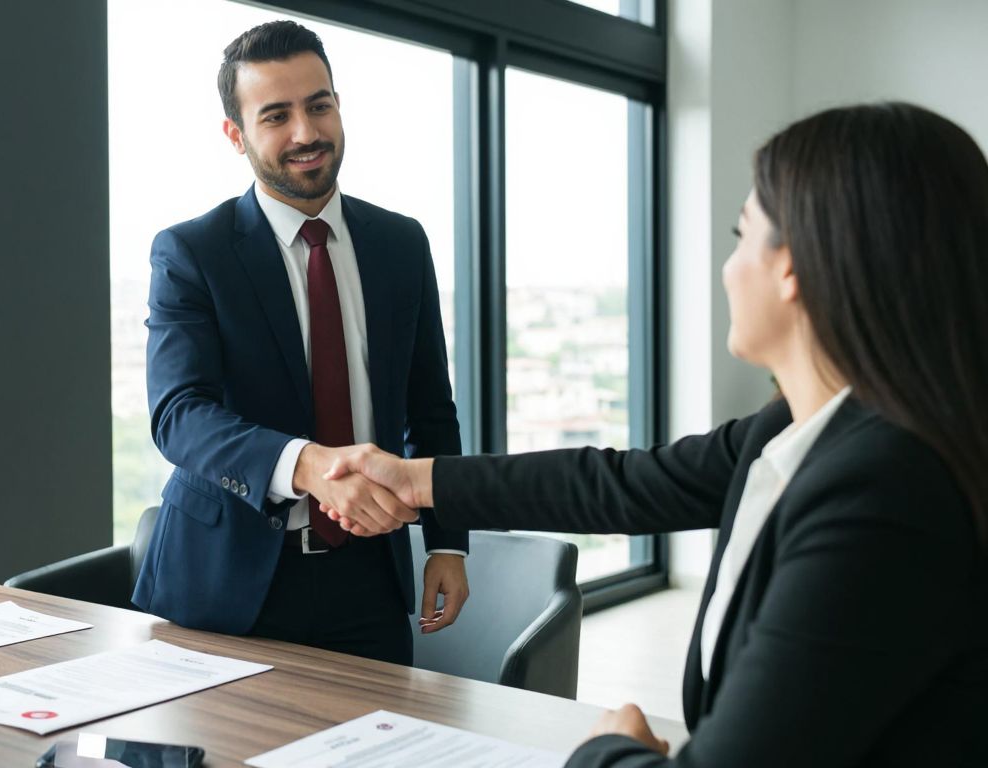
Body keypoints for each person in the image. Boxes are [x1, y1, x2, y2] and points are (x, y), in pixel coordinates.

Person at [320, 102, 988, 765]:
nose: (727, 268)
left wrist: (606, 748)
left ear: (794, 268)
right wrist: (415, 479)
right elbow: (620, 483)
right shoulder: (800, 429)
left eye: (740, 234)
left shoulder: (883, 496)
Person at [131, 20, 469, 666]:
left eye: (319, 106)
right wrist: (309, 465)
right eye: (276, 116)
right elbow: (179, 415)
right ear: (236, 135)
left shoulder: (402, 245)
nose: (306, 133)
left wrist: (447, 543)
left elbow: (430, 408)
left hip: (370, 579)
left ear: (339, 106)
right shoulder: (192, 253)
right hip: (223, 585)